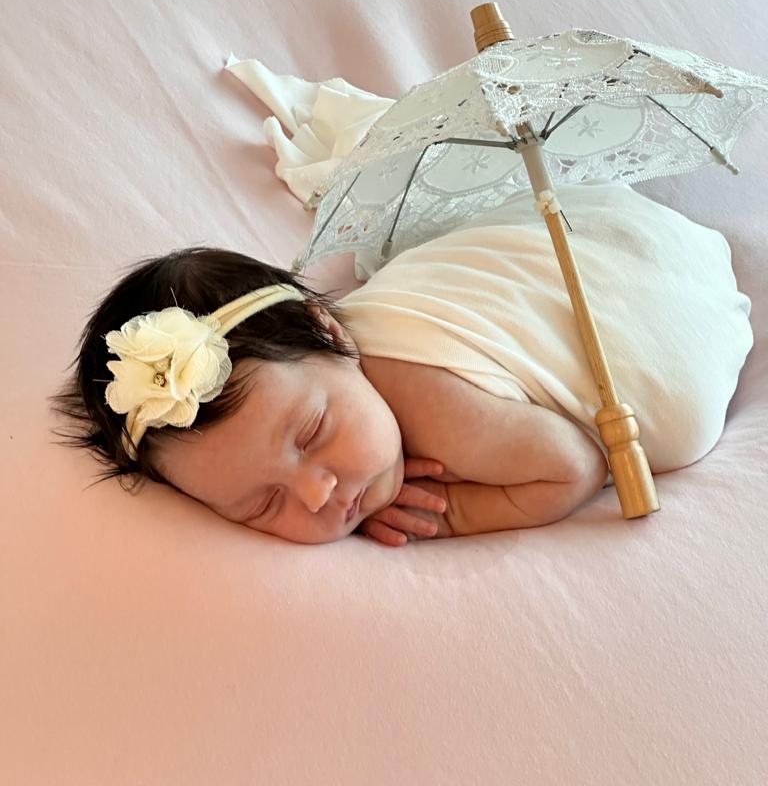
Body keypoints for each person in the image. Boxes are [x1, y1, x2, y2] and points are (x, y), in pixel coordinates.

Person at [54, 182, 753, 546]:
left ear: (331, 331)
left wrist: (450, 516)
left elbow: (573, 467)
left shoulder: (422, 397)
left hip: (661, 314)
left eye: (312, 435)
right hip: (605, 221)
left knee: (671, 428)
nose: (318, 495)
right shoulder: (325, 373)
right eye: (262, 506)